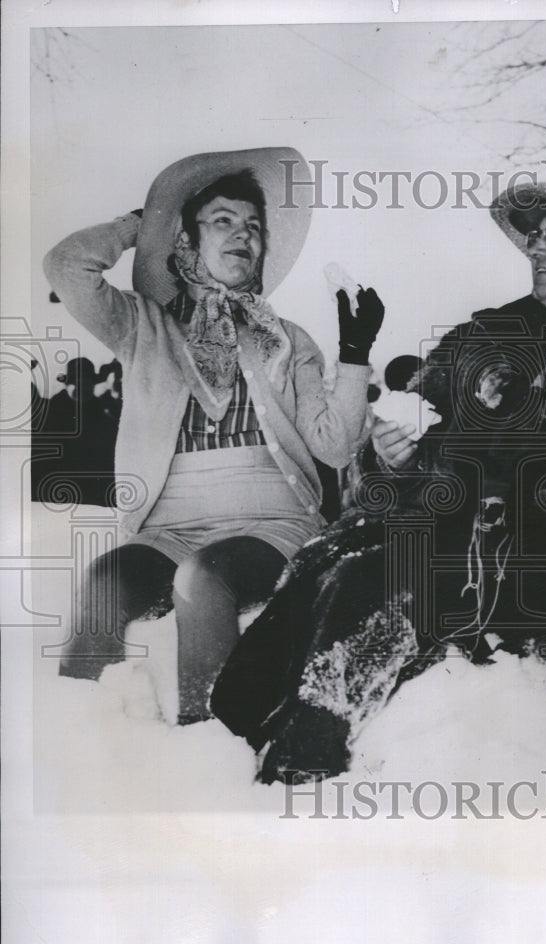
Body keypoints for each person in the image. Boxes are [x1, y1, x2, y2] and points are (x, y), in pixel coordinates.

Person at [211, 174, 546, 783]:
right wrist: (389, 458)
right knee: (363, 588)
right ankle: (297, 784)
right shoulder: (473, 345)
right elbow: (382, 478)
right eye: (535, 232)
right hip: (438, 554)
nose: (534, 246)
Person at [45, 148, 382, 723]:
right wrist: (137, 227)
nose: (243, 235)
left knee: (203, 579)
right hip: (167, 528)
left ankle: (212, 747)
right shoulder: (143, 325)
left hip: (271, 524)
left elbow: (333, 447)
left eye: (253, 226)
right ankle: (80, 741)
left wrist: (354, 354)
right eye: (222, 220)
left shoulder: (286, 339)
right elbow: (65, 266)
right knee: (105, 580)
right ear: (186, 240)